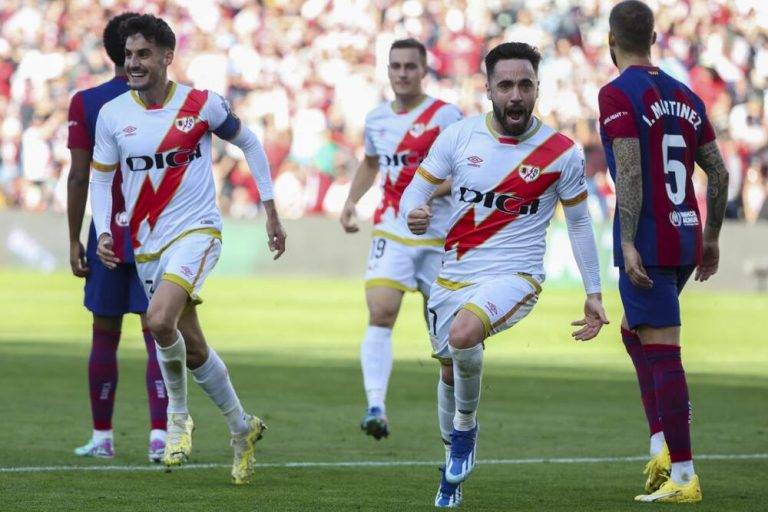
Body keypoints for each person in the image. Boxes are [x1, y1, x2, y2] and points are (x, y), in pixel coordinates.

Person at [401, 42, 608, 508]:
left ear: (538, 88)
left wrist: (593, 291)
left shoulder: (562, 153)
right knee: (450, 368)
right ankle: (449, 477)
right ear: (488, 88)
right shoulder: (459, 137)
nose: (516, 94)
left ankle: (466, 431)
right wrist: (414, 210)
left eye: (525, 84)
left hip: (516, 275)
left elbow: (577, 222)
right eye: (506, 85)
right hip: (452, 276)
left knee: (464, 333)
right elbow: (415, 190)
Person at [88, 14, 286, 484]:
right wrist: (101, 231)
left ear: (166, 57)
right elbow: (100, 176)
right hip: (148, 242)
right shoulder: (114, 115)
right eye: (128, 55)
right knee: (191, 346)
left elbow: (251, 143)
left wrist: (271, 207)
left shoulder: (202, 104)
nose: (133, 63)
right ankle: (242, 427)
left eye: (143, 55)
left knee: (158, 321)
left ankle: (177, 418)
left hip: (198, 232)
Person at [598, 0, 729, 503]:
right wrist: (712, 237)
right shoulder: (687, 95)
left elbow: (629, 174)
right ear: (653, 38)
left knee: (663, 351)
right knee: (635, 330)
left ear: (612, 41)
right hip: (685, 235)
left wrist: (628, 240)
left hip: (648, 239)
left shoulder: (615, 94)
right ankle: (660, 444)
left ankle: (683, 474)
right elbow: (717, 171)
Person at [339, 38, 462, 439]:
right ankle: (375, 406)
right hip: (391, 229)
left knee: (445, 342)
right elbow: (372, 163)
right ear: (388, 71)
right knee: (380, 312)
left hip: (437, 236)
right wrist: (351, 201)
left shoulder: (446, 116)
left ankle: (457, 425)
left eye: (411, 66)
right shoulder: (376, 119)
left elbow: (462, 173)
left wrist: (426, 197)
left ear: (424, 71)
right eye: (396, 66)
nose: (403, 73)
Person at [67, 11, 168, 463]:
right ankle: (160, 437)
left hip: (106, 232)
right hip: (155, 232)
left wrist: (75, 239)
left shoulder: (87, 103)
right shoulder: (163, 99)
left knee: (104, 333)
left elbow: (79, 177)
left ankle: (103, 438)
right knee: (159, 333)